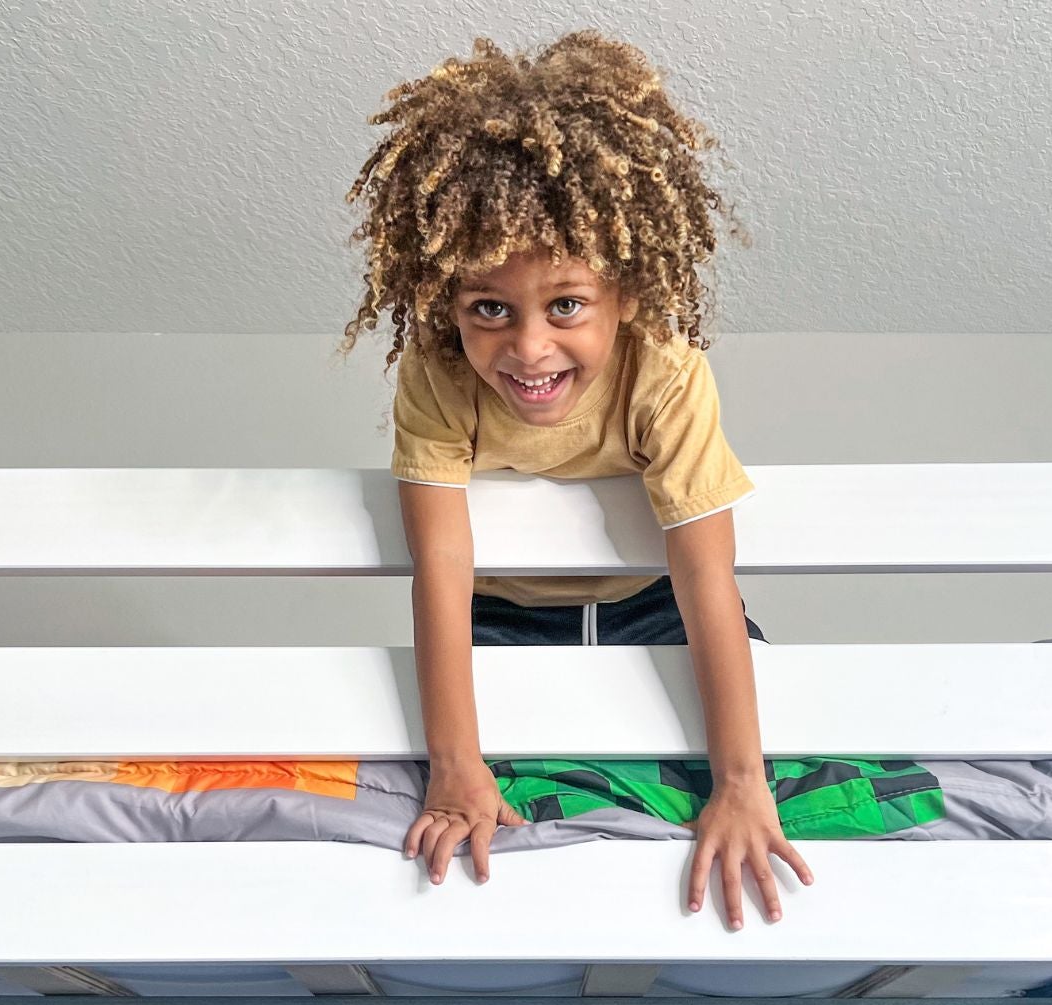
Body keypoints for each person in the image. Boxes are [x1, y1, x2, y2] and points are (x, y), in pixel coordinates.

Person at [337, 31, 811, 930]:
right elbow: (441, 565)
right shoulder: (436, 373)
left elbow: (707, 576)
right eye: (489, 309)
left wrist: (741, 784)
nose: (528, 347)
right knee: (489, 777)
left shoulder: (663, 369)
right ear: (446, 304)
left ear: (625, 294)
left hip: (655, 605)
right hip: (505, 618)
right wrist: (455, 765)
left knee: (762, 759)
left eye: (566, 304)